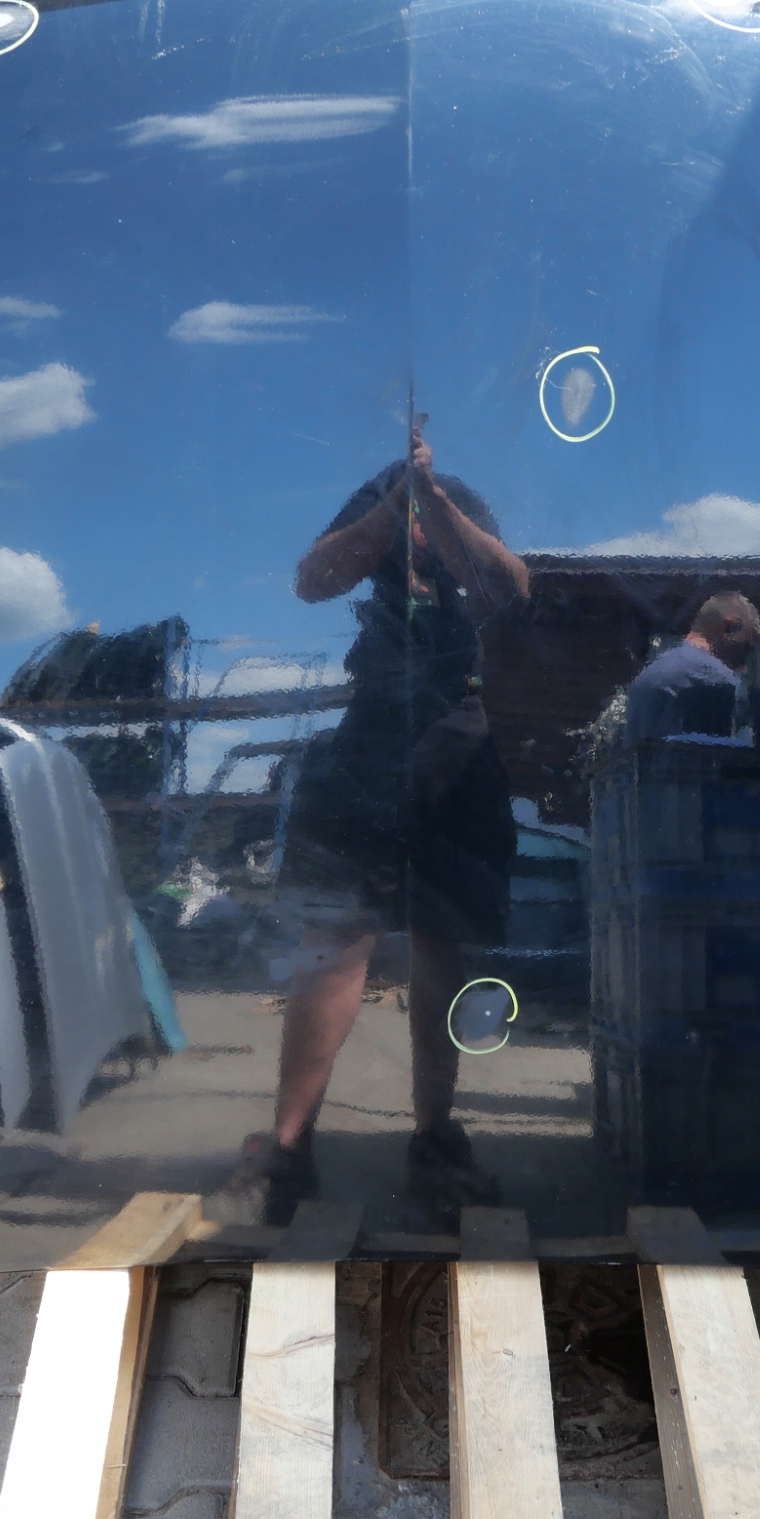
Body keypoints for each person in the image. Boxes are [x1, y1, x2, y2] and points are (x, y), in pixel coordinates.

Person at [213, 418, 529, 1226]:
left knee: (443, 938)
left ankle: (434, 1141)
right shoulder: (379, 498)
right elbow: (314, 580)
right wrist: (394, 502)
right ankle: (288, 1148)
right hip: (374, 729)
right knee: (337, 933)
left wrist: (436, 502)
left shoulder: (458, 499)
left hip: (457, 733)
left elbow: (509, 585)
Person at [624, 592, 760, 744]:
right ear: (729, 627)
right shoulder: (717, 680)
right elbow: (719, 755)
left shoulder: (646, 677)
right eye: (745, 649)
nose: (743, 665)